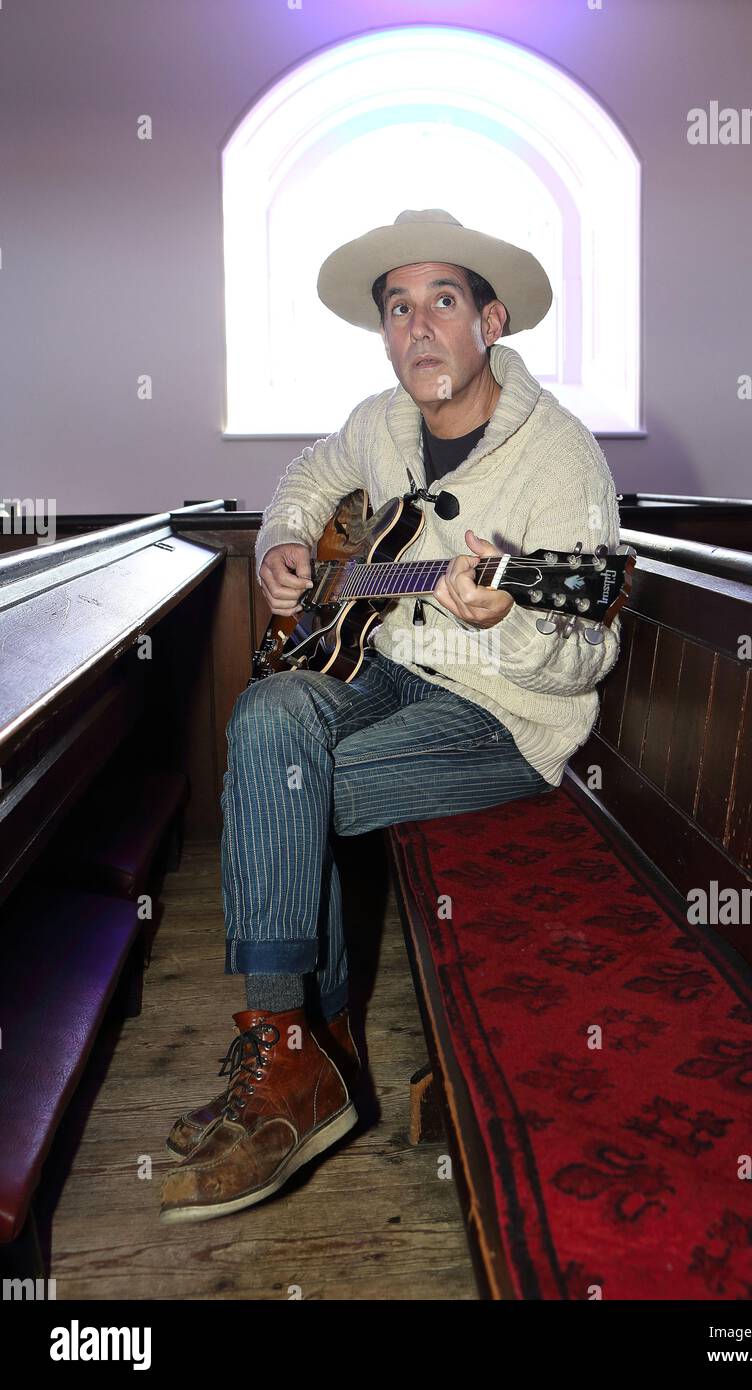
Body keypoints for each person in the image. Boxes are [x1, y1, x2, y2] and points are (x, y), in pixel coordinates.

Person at [159, 208, 622, 1223]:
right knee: (272, 709)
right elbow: (309, 479)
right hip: (381, 663)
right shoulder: (378, 421)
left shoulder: (562, 457)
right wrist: (286, 542)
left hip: (503, 712)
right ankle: (297, 1057)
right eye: (398, 308)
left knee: (280, 787)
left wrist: (504, 621)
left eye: (442, 303)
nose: (418, 328)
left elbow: (586, 652)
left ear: (490, 322)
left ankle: (300, 1055)